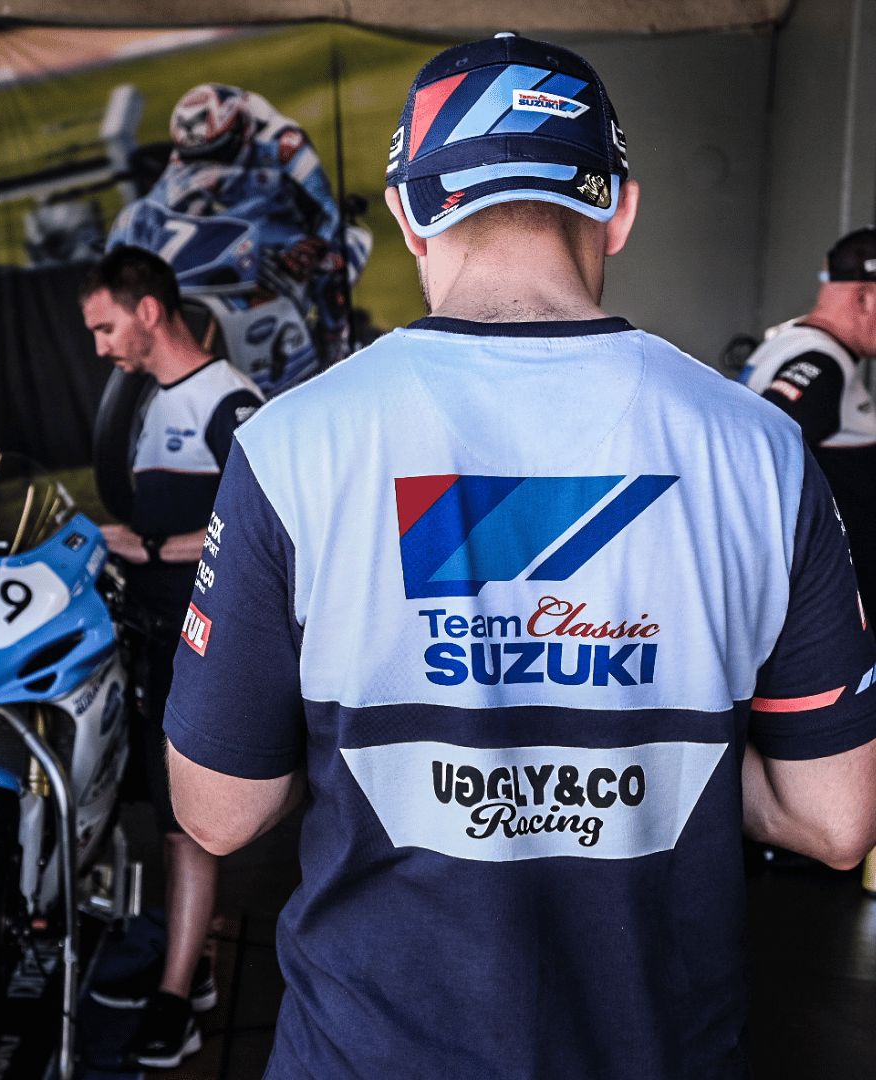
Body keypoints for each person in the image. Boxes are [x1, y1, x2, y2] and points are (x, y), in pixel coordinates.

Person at [161, 34, 876, 1080]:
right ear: (619, 209)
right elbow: (836, 819)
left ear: (407, 217)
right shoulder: (757, 448)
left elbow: (217, 813)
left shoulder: (291, 444)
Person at [79, 244, 263, 1069]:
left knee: (190, 823)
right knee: (161, 816)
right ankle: (189, 965)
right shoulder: (151, 399)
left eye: (104, 326)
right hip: (150, 638)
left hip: (200, 643)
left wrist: (149, 549)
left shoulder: (233, 401)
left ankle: (176, 997)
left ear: (147, 311)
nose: (100, 345)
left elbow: (259, 537)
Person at [108, 82, 370, 364]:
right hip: (236, 227)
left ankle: (336, 343)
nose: (206, 168)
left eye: (217, 153)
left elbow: (326, 211)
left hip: (289, 227)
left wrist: (312, 246)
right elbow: (159, 206)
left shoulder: (285, 144)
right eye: (195, 158)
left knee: (332, 262)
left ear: (240, 132)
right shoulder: (187, 150)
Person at [740, 226, 876, 622]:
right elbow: (760, 465)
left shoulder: (788, 342)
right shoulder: (821, 362)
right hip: (832, 607)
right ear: (864, 296)